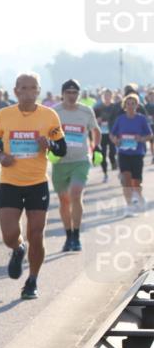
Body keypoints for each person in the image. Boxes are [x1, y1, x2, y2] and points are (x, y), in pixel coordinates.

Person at [0, 72, 66, 300]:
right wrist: (0, 156)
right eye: (23, 88)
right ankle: (17, 249)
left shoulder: (49, 115)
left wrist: (49, 144)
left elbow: (62, 149)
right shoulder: (5, 115)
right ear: (16, 91)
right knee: (9, 234)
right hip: (10, 183)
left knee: (36, 234)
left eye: (33, 88)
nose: (28, 92)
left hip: (37, 183)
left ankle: (32, 280)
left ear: (38, 91)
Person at [52, 79, 100, 251]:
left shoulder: (86, 111)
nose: (72, 96)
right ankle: (69, 236)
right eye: (68, 92)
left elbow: (95, 130)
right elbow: (46, 131)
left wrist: (97, 147)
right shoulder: (54, 111)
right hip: (60, 162)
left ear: (79, 94)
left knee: (75, 193)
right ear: (62, 94)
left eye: (75, 93)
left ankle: (77, 235)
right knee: (64, 200)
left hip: (80, 161)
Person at [111, 93, 154, 216]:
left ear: (137, 105)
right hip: (123, 153)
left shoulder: (141, 119)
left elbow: (150, 135)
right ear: (125, 105)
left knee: (136, 182)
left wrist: (141, 138)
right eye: (128, 104)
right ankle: (129, 206)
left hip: (137, 153)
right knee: (126, 179)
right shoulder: (120, 119)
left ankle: (138, 194)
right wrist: (115, 140)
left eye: (133, 103)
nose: (130, 106)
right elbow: (112, 134)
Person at [95, 88, 120, 181]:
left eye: (108, 95)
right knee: (103, 154)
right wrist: (97, 120)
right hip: (102, 134)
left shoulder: (115, 107)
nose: (107, 97)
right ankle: (105, 173)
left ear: (111, 96)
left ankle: (114, 162)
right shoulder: (98, 107)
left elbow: (118, 119)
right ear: (103, 96)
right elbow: (93, 119)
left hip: (112, 133)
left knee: (112, 153)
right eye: (105, 95)